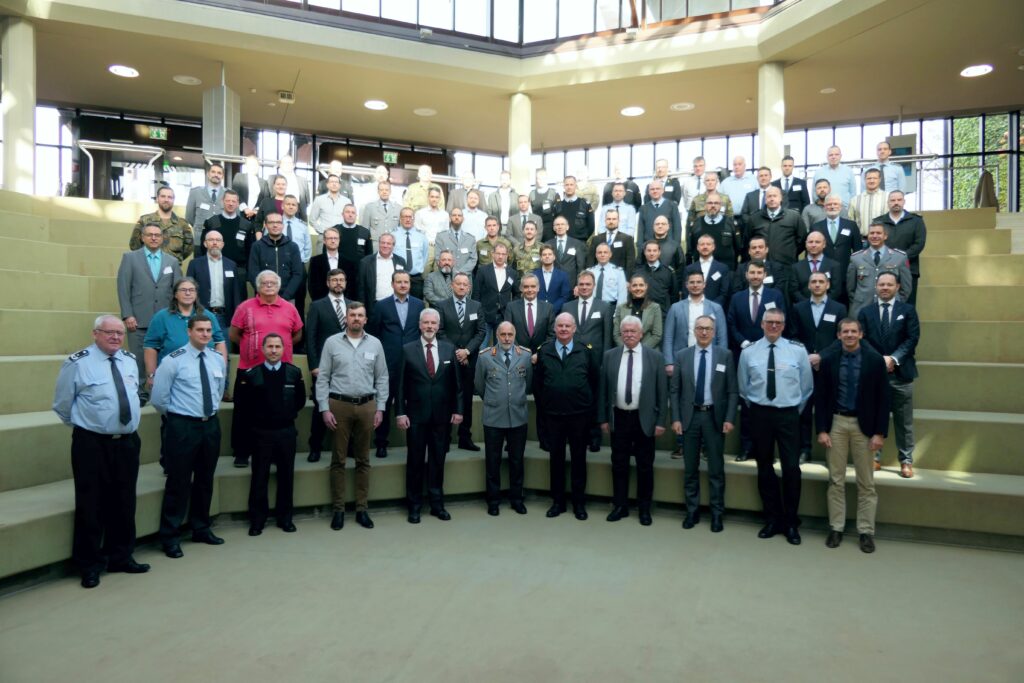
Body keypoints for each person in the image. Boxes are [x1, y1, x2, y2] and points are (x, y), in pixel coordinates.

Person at [52, 315, 147, 588]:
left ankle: (121, 556)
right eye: (110, 333)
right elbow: (62, 405)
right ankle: (90, 564)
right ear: (95, 334)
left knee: (124, 501)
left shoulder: (128, 360)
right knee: (91, 504)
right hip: (92, 444)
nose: (116, 337)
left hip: (127, 442)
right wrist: (91, 427)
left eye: (120, 333)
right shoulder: (77, 363)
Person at [150, 315, 227, 559]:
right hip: (182, 426)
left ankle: (201, 528)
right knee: (178, 481)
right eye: (200, 330)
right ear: (189, 331)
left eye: (208, 330)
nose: (205, 334)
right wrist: (179, 418)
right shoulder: (173, 361)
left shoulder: (217, 359)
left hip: (210, 425)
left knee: (205, 479)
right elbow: (160, 399)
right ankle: (170, 536)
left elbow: (218, 389)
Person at [738, 308, 813, 545]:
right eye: (769, 322)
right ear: (761, 324)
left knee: (791, 468)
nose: (773, 326)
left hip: (789, 415)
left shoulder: (797, 351)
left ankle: (791, 522)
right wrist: (760, 409)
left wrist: (791, 409)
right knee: (764, 468)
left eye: (778, 323)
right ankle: (772, 519)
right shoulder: (749, 352)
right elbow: (744, 387)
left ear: (783, 325)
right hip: (760, 414)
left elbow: (806, 387)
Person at [816, 318, 890, 554]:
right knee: (835, 480)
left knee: (866, 482)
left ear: (861, 334)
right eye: (845, 331)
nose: (849, 335)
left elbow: (883, 399)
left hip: (864, 426)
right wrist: (822, 430)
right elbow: (821, 396)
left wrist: (879, 433)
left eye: (853, 331)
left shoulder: (875, 361)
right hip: (836, 423)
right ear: (838, 336)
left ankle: (866, 531)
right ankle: (836, 527)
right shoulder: (829, 361)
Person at [316, 303, 389, 531]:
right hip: (339, 406)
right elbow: (323, 377)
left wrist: (381, 408)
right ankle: (338, 510)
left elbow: (382, 377)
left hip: (367, 405)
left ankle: (361, 509)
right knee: (338, 460)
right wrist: (324, 408)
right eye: (352, 315)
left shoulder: (375, 343)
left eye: (360, 315)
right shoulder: (332, 342)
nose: (356, 318)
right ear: (346, 318)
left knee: (363, 460)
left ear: (366, 319)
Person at [670, 315, 738, 532]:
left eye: (708, 329)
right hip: (690, 418)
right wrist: (676, 418)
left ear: (714, 331)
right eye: (700, 328)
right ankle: (692, 512)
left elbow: (732, 390)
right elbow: (675, 390)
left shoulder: (725, 355)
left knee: (716, 469)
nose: (704, 332)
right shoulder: (682, 356)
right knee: (690, 469)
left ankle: (717, 514)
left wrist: (729, 418)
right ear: (694, 331)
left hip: (714, 418)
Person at [229, 270, 303, 467]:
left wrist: (281, 348)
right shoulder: (245, 307)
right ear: (258, 286)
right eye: (264, 283)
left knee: (277, 410)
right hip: (250, 369)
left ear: (279, 286)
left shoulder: (289, 308)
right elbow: (234, 334)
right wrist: (251, 350)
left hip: (280, 370)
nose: (269, 286)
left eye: (273, 283)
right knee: (244, 411)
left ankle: (276, 453)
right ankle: (242, 452)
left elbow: (296, 335)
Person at [396, 309, 463, 523]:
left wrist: (458, 410)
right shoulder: (407, 350)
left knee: (438, 461)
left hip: (442, 417)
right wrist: (400, 413)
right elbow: (399, 387)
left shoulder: (448, 348)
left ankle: (437, 505)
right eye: (426, 322)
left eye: (433, 323)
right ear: (419, 324)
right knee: (415, 462)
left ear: (438, 325)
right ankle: (414, 507)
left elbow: (457, 385)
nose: (430, 326)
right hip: (415, 417)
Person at [599, 316, 667, 526]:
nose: (628, 334)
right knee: (618, 464)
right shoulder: (610, 356)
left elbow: (662, 392)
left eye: (633, 331)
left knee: (645, 465)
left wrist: (661, 421)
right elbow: (603, 391)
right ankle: (620, 506)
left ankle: (644, 508)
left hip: (644, 418)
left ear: (641, 334)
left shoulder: (654, 357)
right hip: (619, 418)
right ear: (620, 333)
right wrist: (603, 419)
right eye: (625, 331)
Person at [236, 334, 306, 536]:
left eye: (277, 346)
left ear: (283, 349)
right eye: (270, 346)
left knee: (286, 476)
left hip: (286, 431)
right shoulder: (251, 375)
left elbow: (299, 401)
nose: (273, 350)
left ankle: (286, 519)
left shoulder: (293, 373)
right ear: (263, 349)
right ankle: (257, 520)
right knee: (259, 477)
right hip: (261, 433)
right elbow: (245, 406)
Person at [534, 313, 600, 520]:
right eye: (560, 326)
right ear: (554, 328)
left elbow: (594, 382)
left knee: (579, 460)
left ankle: (579, 504)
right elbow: (537, 385)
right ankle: (558, 502)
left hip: (579, 416)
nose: (563, 329)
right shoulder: (544, 351)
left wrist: (591, 416)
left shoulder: (586, 351)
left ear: (574, 329)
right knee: (556, 461)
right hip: (553, 415)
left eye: (567, 326)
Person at [857, 272, 920, 478]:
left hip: (901, 375)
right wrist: (880, 360)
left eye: (889, 284)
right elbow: (862, 340)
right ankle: (875, 458)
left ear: (897, 287)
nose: (885, 287)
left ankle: (906, 461)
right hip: (875, 375)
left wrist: (893, 359)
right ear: (876, 287)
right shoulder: (865, 312)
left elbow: (912, 339)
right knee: (874, 417)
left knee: (904, 421)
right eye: (881, 284)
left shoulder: (908, 310)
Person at [727, 260, 787, 462]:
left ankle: (767, 451)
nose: (755, 276)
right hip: (744, 354)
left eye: (759, 272)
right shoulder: (737, 298)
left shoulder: (775, 295)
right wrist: (743, 343)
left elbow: (780, 322)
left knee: (768, 403)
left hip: (770, 353)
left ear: (764, 274)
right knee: (747, 403)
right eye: (751, 272)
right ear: (746, 275)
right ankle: (747, 447)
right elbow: (731, 323)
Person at [116, 223, 182, 399]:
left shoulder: (172, 262)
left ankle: (161, 391)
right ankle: (140, 392)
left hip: (165, 319)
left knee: (164, 357)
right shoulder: (130, 258)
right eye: (150, 234)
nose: (154, 238)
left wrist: (176, 315)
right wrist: (127, 314)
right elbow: (123, 288)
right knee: (138, 358)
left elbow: (178, 290)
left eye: (157, 235)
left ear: (162, 238)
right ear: (142, 237)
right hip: (138, 319)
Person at [789, 270, 847, 464]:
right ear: (808, 285)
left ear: (827, 285)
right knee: (803, 410)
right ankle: (804, 449)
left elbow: (842, 339)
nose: (817, 285)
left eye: (821, 281)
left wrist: (821, 356)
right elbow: (793, 335)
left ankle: (832, 450)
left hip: (828, 366)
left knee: (828, 407)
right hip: (803, 366)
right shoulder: (798, 308)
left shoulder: (839, 308)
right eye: (813, 281)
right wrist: (805, 355)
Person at [474, 321, 532, 515]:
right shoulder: (484, 357)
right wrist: (494, 400)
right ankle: (493, 501)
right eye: (503, 334)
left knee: (517, 461)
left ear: (515, 335)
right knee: (493, 461)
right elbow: (480, 386)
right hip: (493, 417)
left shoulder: (524, 355)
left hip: (518, 417)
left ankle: (517, 499)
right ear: (496, 336)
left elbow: (528, 382)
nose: (507, 338)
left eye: (510, 334)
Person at [143, 277, 228, 403]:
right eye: (183, 290)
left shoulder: (208, 316)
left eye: (191, 290)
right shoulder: (162, 317)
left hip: (204, 374)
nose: (188, 293)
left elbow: (219, 342)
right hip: (174, 377)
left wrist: (221, 369)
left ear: (196, 294)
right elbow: (150, 346)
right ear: (175, 294)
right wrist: (151, 375)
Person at [368, 271, 424, 459]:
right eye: (398, 282)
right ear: (392, 284)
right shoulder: (381, 306)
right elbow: (374, 334)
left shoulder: (419, 305)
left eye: (405, 282)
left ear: (410, 284)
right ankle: (381, 443)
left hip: (413, 363)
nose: (402, 285)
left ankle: (414, 443)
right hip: (388, 362)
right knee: (384, 401)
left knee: (414, 403)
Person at [305, 268, 353, 462]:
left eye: (342, 280)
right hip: (324, 367)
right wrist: (314, 365)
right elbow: (311, 338)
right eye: (334, 280)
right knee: (320, 408)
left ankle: (348, 446)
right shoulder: (317, 306)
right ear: (328, 283)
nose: (338, 283)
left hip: (349, 367)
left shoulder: (352, 306)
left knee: (348, 409)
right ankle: (315, 447)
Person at [436, 272, 487, 451]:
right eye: (458, 284)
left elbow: (481, 331)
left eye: (465, 284)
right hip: (449, 361)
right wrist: (456, 353)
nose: (462, 287)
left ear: (469, 287)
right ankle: (445, 438)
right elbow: (440, 331)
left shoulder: (476, 306)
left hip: (469, 360)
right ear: (452, 286)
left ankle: (465, 437)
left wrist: (466, 351)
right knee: (447, 398)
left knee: (466, 400)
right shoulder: (441, 305)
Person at [846, 222, 912, 317]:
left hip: (890, 310)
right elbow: (850, 288)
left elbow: (906, 288)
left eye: (878, 233)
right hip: (861, 309)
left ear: (885, 236)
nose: (875, 236)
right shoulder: (856, 258)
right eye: (872, 233)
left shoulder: (900, 257)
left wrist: (896, 301)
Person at [875, 190, 927, 305]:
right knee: (883, 303)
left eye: (899, 200)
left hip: (909, 268)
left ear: (904, 202)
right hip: (884, 268)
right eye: (892, 200)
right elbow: (875, 243)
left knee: (908, 303)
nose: (896, 203)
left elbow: (919, 244)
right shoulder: (878, 221)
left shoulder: (916, 221)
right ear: (888, 203)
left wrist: (900, 258)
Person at [186, 231, 243, 334]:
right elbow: (188, 290)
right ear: (205, 243)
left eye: (218, 240)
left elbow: (236, 293)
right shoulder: (195, 264)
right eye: (211, 240)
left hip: (225, 318)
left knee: (224, 349)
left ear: (222, 244)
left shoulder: (231, 265)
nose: (215, 243)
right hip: (201, 315)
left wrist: (237, 317)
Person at [196, 190, 256, 285]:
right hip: (214, 268)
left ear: (238, 204)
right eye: (228, 201)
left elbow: (251, 251)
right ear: (222, 201)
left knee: (238, 299)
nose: (230, 204)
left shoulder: (246, 225)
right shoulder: (211, 223)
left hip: (239, 271)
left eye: (233, 201)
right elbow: (203, 248)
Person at [811, 195, 863, 303]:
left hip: (846, 273)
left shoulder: (851, 225)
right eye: (829, 204)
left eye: (835, 204)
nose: (832, 206)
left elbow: (858, 251)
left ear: (840, 207)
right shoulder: (816, 226)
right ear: (824, 207)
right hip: (823, 274)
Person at [248, 212, 304, 303]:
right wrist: (265, 293)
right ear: (265, 225)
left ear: (283, 225)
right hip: (263, 298)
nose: (275, 225)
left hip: (287, 299)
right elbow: (253, 273)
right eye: (271, 222)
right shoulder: (257, 246)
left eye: (278, 222)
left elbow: (297, 274)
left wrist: (286, 297)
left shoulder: (293, 247)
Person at [128, 186, 193, 264]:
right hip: (148, 267)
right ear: (157, 198)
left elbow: (189, 248)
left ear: (173, 200)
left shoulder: (183, 224)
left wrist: (175, 259)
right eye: (163, 196)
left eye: (170, 197)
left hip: (173, 268)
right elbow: (134, 245)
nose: (166, 200)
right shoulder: (144, 220)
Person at [561, 270, 614, 363]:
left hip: (595, 358)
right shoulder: (567, 307)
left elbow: (607, 338)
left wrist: (606, 361)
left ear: (594, 285)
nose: (584, 287)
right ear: (577, 286)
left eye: (588, 284)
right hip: (571, 357)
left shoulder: (604, 307)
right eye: (581, 284)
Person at [472, 242, 519, 345]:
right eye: (498, 253)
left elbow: (517, 294)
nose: (500, 256)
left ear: (507, 256)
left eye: (503, 254)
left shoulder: (513, 273)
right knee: (481, 346)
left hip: (504, 315)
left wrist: (510, 308)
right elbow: (476, 293)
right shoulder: (482, 271)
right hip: (485, 314)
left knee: (501, 346)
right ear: (492, 254)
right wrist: (478, 312)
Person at [748, 187, 805, 266]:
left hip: (787, 265)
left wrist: (790, 253)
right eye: (769, 196)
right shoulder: (754, 218)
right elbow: (747, 241)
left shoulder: (794, 217)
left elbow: (802, 240)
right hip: (762, 267)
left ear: (781, 198)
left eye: (775, 196)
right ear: (765, 199)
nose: (772, 199)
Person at [357, 233, 407, 317]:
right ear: (378, 244)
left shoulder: (400, 261)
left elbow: (405, 284)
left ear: (393, 245)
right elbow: (361, 289)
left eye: (388, 243)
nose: (385, 245)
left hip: (396, 305)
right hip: (374, 306)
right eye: (383, 243)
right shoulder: (365, 262)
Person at [687, 191, 741, 268]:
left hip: (726, 270)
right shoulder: (696, 224)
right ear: (705, 206)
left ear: (720, 206)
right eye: (710, 203)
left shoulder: (730, 224)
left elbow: (737, 248)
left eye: (716, 203)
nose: (713, 205)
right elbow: (691, 248)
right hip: (701, 271)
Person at [504, 273, 555, 353]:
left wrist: (540, 353)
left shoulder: (548, 308)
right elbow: (507, 332)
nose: (530, 290)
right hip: (517, 356)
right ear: (521, 288)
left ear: (538, 288)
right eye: (526, 287)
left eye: (533, 286)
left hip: (542, 356)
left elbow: (551, 334)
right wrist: (519, 351)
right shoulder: (511, 307)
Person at [613, 275, 663, 349]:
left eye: (641, 285)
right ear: (629, 288)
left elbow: (657, 335)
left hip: (648, 351)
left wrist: (639, 350)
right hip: (625, 351)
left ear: (646, 286)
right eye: (634, 285)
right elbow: (616, 334)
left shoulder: (655, 307)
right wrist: (627, 348)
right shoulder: (621, 308)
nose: (638, 288)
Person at [792, 231, 842, 303]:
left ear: (824, 244)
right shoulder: (796, 267)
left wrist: (822, 304)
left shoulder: (834, 266)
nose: (813, 245)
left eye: (817, 242)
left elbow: (836, 291)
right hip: (803, 309)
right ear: (806, 244)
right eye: (810, 242)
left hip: (827, 308)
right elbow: (794, 291)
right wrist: (808, 305)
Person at [683, 235, 732, 307]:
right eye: (702, 244)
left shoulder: (723, 268)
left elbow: (724, 293)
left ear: (713, 247)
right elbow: (685, 292)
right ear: (697, 247)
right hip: (693, 308)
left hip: (715, 310)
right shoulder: (689, 269)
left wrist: (712, 307)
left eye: (708, 244)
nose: (705, 247)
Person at [332, 204, 374, 288]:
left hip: (358, 274)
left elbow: (369, 255)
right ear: (342, 214)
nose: (350, 214)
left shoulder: (364, 232)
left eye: (353, 212)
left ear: (356, 215)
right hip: (338, 273)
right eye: (347, 212)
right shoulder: (334, 230)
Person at [393, 207, 430, 300]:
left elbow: (425, 256)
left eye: (410, 217)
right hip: (398, 278)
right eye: (405, 217)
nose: (408, 219)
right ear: (400, 219)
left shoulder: (421, 236)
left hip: (416, 279)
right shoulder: (393, 235)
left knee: (416, 307)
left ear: (414, 218)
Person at [631, 241, 676, 317]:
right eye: (649, 251)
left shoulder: (668, 272)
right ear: (644, 252)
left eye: (654, 251)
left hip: (662, 314)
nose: (651, 253)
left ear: (659, 252)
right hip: (642, 313)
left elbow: (674, 295)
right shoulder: (638, 272)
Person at [308, 174, 353, 247]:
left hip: (341, 238)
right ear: (327, 185)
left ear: (339, 185)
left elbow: (350, 220)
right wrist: (322, 231)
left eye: (336, 182)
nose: (334, 184)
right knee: (321, 258)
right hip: (323, 238)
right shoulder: (319, 200)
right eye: (332, 182)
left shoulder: (347, 201)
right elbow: (312, 219)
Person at [586, 208, 636, 272]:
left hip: (619, 278)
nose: (611, 221)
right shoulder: (596, 239)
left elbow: (630, 262)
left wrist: (627, 280)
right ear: (605, 221)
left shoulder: (627, 239)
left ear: (618, 221)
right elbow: (591, 260)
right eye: (609, 219)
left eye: (614, 219)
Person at [434, 208, 479, 275]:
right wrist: (453, 273)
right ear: (449, 218)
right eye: (454, 215)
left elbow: (473, 259)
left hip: (465, 279)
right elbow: (438, 258)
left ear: (463, 219)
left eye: (459, 215)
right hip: (447, 277)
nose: (457, 217)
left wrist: (461, 273)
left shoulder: (470, 239)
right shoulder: (441, 237)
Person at [545, 216, 587, 286]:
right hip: (551, 283)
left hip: (571, 284)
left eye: (562, 224)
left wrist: (579, 284)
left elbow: (581, 266)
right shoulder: (548, 244)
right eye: (557, 225)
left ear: (567, 227)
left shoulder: (577, 244)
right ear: (554, 228)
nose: (560, 227)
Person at [637, 179, 682, 244]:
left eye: (657, 189)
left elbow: (677, 228)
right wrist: (640, 247)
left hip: (668, 246)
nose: (655, 191)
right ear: (648, 192)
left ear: (663, 190)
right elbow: (640, 231)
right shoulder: (643, 209)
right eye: (652, 189)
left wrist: (676, 246)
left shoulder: (672, 206)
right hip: (650, 248)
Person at [848, 168, 888, 237]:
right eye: (869, 178)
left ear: (880, 180)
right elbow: (851, 222)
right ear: (865, 180)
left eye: (875, 178)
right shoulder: (855, 200)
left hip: (882, 241)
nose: (871, 181)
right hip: (861, 241)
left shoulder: (888, 198)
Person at [359, 180, 403, 244]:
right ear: (378, 192)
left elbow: (401, 230)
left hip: (392, 246)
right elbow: (364, 230)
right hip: (375, 245)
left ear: (390, 192)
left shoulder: (398, 208)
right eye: (381, 190)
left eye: (386, 190)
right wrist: (361, 247)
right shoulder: (370, 207)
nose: (384, 192)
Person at [185, 163, 226, 231]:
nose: (216, 175)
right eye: (213, 172)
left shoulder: (228, 194)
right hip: (201, 237)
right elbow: (189, 218)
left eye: (219, 173)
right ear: (208, 174)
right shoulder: (195, 192)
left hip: (221, 236)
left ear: (222, 176)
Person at [587, 243, 629, 308]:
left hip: (610, 307)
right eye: (599, 252)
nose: (602, 255)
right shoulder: (589, 272)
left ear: (610, 254)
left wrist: (618, 313)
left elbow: (622, 295)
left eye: (605, 252)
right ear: (596, 255)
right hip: (592, 307)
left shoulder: (618, 272)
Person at [554, 175, 593, 242]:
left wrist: (583, 238)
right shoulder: (558, 206)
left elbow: (591, 226)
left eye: (571, 185)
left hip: (580, 242)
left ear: (575, 186)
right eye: (567, 185)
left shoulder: (585, 204)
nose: (569, 187)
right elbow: (554, 225)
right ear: (564, 186)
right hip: (563, 243)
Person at [534, 244, 571, 311]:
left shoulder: (563, 275)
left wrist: (552, 309)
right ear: (540, 258)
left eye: (550, 254)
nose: (547, 256)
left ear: (554, 257)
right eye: (544, 255)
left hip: (556, 313)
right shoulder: (534, 275)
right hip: (537, 311)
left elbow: (565, 296)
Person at [231, 155, 269, 220]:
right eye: (251, 164)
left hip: (257, 216)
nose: (253, 167)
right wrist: (245, 208)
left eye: (255, 165)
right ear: (246, 166)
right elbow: (235, 193)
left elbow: (266, 198)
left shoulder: (264, 182)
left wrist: (255, 211)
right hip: (240, 214)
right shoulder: (239, 177)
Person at [529, 168, 560, 241]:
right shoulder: (532, 194)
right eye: (538, 178)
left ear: (546, 179)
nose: (539, 181)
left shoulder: (553, 193)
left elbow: (558, 213)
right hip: (536, 227)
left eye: (542, 178)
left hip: (550, 228)